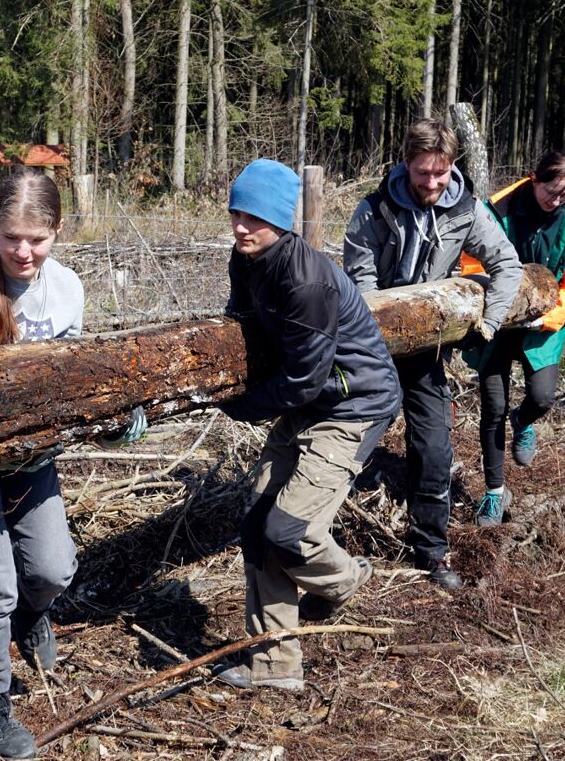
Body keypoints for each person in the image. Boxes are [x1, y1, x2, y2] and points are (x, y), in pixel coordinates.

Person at [0, 167, 144, 759]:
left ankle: (31, 616)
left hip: (32, 458)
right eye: (11, 237)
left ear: (57, 232)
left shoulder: (66, 288)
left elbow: (72, 382)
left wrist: (111, 416)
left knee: (50, 572)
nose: (23, 251)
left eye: (36, 239)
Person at [212, 159, 402, 691]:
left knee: (289, 528)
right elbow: (240, 323)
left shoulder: (306, 278)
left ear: (282, 221)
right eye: (235, 214)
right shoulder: (246, 259)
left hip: (353, 406)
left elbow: (302, 380)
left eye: (254, 217)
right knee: (257, 524)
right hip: (310, 401)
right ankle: (275, 666)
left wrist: (240, 405)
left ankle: (344, 581)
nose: (241, 227)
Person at [342, 119, 522, 589]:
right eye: (423, 174)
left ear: (452, 168)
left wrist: (491, 320)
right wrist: (376, 338)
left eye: (440, 174)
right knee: (349, 444)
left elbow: (507, 263)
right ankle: (315, 541)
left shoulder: (465, 209)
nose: (432, 184)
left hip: (428, 351)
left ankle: (432, 550)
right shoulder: (374, 211)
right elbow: (360, 284)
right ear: (406, 165)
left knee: (434, 449)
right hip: (373, 348)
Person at [462, 152, 565, 525]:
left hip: (545, 322)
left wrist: (550, 316)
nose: (557, 201)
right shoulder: (498, 210)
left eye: (564, 193)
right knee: (492, 407)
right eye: (551, 193)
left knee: (542, 396)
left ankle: (523, 423)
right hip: (496, 322)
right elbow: (473, 264)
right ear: (533, 180)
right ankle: (494, 493)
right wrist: (494, 307)